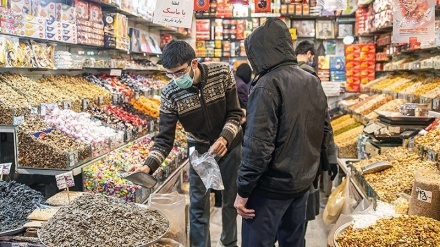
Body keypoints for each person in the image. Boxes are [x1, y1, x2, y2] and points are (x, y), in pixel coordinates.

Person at [129, 40, 243, 247]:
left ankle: (230, 242)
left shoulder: (222, 73)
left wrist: (224, 137)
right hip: (199, 151)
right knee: (198, 206)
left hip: (230, 146)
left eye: (179, 72)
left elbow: (235, 113)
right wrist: (148, 166)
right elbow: (164, 138)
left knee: (230, 201)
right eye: (170, 74)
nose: (175, 79)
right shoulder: (170, 93)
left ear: (194, 63)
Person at [233, 18, 331, 247]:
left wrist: (243, 191)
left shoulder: (267, 84)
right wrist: (318, 170)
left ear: (258, 52)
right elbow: (324, 129)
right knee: (294, 242)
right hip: (301, 185)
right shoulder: (312, 80)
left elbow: (258, 146)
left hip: (269, 190)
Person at [296, 40, 339, 246]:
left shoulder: (275, 76)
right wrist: (330, 156)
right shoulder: (311, 77)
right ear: (310, 54)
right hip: (308, 156)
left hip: (282, 163)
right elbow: (324, 121)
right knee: (299, 221)